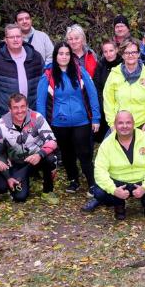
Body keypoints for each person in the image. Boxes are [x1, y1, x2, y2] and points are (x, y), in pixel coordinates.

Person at [36, 42, 101, 195]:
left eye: (67, 54)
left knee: (84, 152)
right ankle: (74, 180)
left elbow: (92, 95)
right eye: (61, 54)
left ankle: (92, 183)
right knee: (66, 153)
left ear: (71, 56)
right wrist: (43, 125)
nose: (64, 57)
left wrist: (96, 118)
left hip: (82, 121)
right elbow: (40, 101)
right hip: (58, 123)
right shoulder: (48, 75)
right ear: (55, 56)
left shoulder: (80, 72)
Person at [92, 110, 145, 220]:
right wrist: (113, 190)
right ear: (115, 125)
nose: (124, 126)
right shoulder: (107, 143)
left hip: (141, 181)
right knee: (99, 193)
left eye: (128, 122)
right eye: (120, 123)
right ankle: (118, 203)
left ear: (133, 124)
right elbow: (100, 170)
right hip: (118, 182)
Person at [0, 93, 59, 204]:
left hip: (37, 159)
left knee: (50, 159)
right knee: (20, 197)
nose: (20, 111)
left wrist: (39, 154)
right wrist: (8, 177)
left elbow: (52, 141)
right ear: (9, 109)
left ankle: (48, 191)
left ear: (27, 106)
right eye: (15, 107)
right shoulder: (0, 125)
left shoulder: (37, 117)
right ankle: (23, 178)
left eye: (23, 106)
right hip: (17, 164)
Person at [102, 38, 145, 139]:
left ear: (139, 54)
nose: (131, 55)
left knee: (143, 153)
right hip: (120, 124)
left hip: (143, 123)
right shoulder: (114, 74)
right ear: (122, 55)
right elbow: (108, 101)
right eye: (127, 52)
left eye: (134, 52)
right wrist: (112, 124)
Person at [0, 24, 44, 117]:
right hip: (6, 111)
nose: (15, 39)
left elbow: (44, 81)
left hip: (31, 110)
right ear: (6, 40)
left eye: (18, 36)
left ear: (22, 38)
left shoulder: (35, 56)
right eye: (11, 37)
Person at [92, 40, 120, 143]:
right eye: (105, 51)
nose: (109, 54)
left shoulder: (123, 64)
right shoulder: (100, 65)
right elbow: (97, 86)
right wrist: (102, 104)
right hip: (104, 103)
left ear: (116, 50)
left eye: (111, 50)